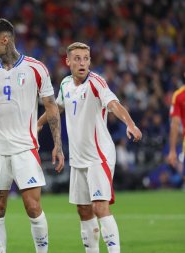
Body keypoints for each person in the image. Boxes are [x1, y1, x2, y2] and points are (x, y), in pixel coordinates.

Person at [0, 18, 64, 253]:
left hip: (25, 149)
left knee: (32, 207)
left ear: (5, 39)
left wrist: (58, 144)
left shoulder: (35, 68)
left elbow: (51, 106)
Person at [38, 42, 142, 253]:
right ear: (68, 61)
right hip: (78, 158)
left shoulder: (97, 83)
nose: (82, 62)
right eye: (77, 58)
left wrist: (130, 124)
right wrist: (38, 124)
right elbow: (57, 108)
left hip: (99, 156)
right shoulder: (66, 84)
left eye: (86, 58)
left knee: (100, 207)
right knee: (84, 210)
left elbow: (114, 105)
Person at [167, 74, 185, 185]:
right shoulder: (178, 96)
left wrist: (173, 151)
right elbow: (174, 124)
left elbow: (175, 124)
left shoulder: (179, 95)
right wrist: (172, 150)